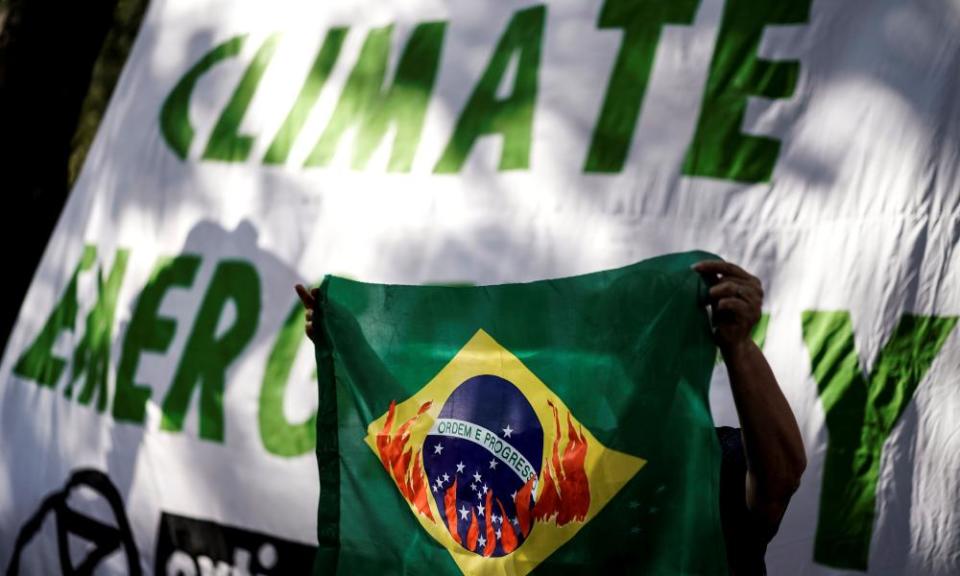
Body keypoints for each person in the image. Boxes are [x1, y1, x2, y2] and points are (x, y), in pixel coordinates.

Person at [295, 259, 805, 575]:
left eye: (642, 353)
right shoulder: (547, 485)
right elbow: (413, 448)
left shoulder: (698, 465)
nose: (625, 371)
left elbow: (778, 483)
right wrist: (347, 348)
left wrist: (738, 348)